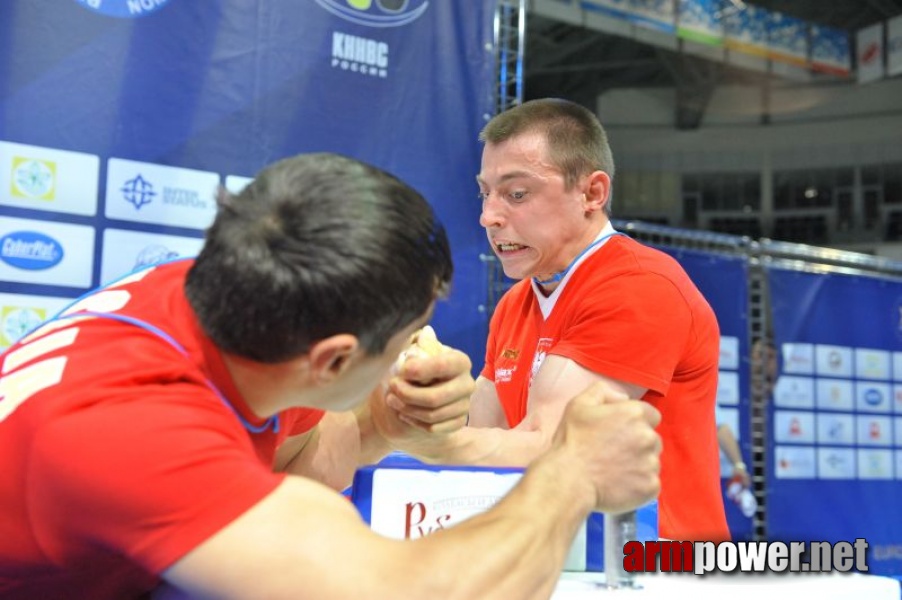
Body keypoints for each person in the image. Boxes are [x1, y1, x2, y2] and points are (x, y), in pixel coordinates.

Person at [0, 152, 662, 599]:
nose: (420, 353)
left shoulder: (221, 303)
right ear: (335, 361)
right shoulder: (134, 438)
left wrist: (377, 422)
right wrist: (572, 474)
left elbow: (291, 462)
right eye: (407, 340)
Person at [388, 98, 728, 542]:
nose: (488, 216)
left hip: (662, 566)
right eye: (484, 192)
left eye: (516, 193)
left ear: (592, 193)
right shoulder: (516, 304)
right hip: (569, 558)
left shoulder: (641, 285)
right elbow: (483, 437)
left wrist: (398, 437)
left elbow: (554, 445)